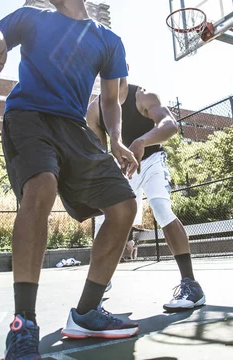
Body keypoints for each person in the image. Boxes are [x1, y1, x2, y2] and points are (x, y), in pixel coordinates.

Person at [0, 0, 140, 359]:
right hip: (28, 116)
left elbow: (112, 100)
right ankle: (23, 323)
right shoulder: (29, 19)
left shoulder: (108, 40)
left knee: (125, 206)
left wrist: (116, 139)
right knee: (41, 186)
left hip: (74, 128)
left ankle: (87, 313)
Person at [87, 77, 206, 313]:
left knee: (161, 209)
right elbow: (98, 150)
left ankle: (192, 286)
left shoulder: (142, 96)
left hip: (151, 160)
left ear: (125, 68)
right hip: (122, 168)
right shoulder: (94, 109)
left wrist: (142, 141)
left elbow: (170, 125)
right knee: (104, 221)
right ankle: (98, 285)